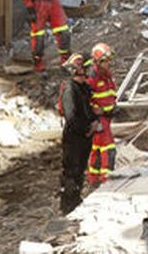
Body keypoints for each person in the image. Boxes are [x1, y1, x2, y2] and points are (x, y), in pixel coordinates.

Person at [57, 54, 97, 215]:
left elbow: (88, 109)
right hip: (74, 137)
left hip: (84, 136)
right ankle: (67, 206)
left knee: (80, 170)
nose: (89, 71)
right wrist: (86, 127)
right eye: (86, 68)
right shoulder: (69, 89)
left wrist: (94, 122)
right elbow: (71, 117)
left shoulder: (83, 88)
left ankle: (76, 201)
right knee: (71, 172)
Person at [86, 43, 117, 186]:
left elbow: (109, 93)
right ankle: (106, 181)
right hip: (98, 119)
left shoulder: (106, 75)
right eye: (106, 60)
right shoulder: (93, 77)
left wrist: (113, 107)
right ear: (98, 61)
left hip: (106, 117)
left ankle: (94, 179)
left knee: (97, 149)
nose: (108, 63)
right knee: (109, 149)